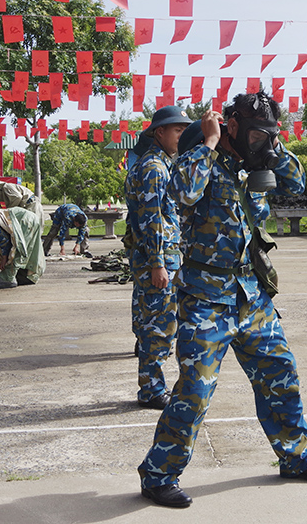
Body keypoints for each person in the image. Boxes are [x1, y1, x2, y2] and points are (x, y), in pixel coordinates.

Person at [138, 91, 307, 509]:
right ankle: (158, 475)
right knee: (195, 389)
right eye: (254, 134)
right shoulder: (201, 157)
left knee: (281, 375)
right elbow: (181, 192)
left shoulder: (259, 161)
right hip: (205, 297)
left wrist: (272, 147)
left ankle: (297, 458)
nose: (259, 142)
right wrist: (210, 142)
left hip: (251, 294)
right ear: (232, 127)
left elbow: (297, 183)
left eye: (266, 134)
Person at [125, 106, 192, 410]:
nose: (181, 136)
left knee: (149, 321)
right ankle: (151, 390)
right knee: (159, 326)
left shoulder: (157, 163)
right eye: (177, 130)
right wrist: (158, 263)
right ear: (159, 132)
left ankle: (151, 385)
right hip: (157, 258)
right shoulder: (154, 168)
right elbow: (151, 219)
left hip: (155, 257)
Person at [0, 207, 45, 289]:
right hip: (28, 218)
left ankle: (8, 278)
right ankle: (25, 275)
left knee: (18, 249)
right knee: (29, 250)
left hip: (24, 220)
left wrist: (4, 258)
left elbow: (4, 239)